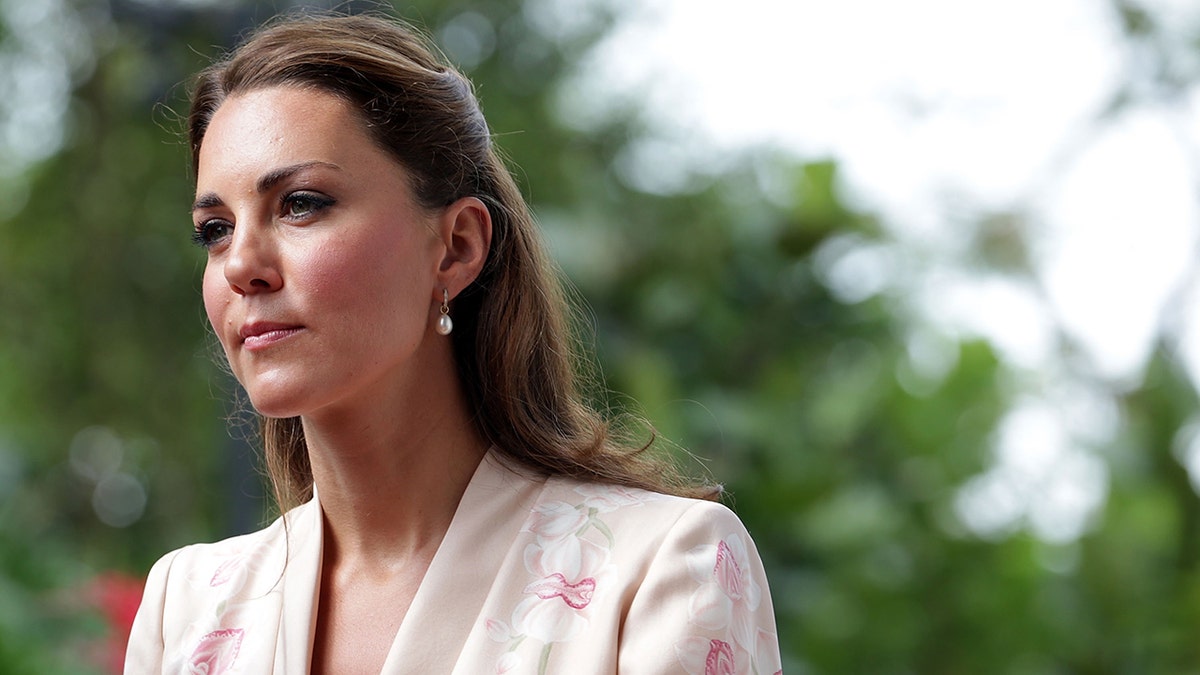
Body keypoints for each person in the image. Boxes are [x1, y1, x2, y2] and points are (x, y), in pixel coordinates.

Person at [124, 11, 780, 675]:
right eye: (215, 229)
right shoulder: (188, 610)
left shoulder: (659, 573)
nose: (240, 265)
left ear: (456, 246)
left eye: (300, 203)